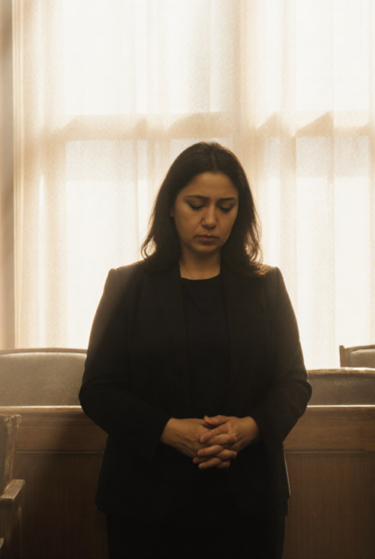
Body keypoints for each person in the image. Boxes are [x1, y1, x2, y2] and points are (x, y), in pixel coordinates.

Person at [79, 142, 312, 559]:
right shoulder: (127, 286)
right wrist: (169, 430)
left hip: (248, 498)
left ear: (240, 212)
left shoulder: (266, 285)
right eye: (196, 204)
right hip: (146, 499)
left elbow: (294, 384)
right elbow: (98, 390)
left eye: (226, 207)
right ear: (171, 207)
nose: (210, 220)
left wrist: (249, 428)